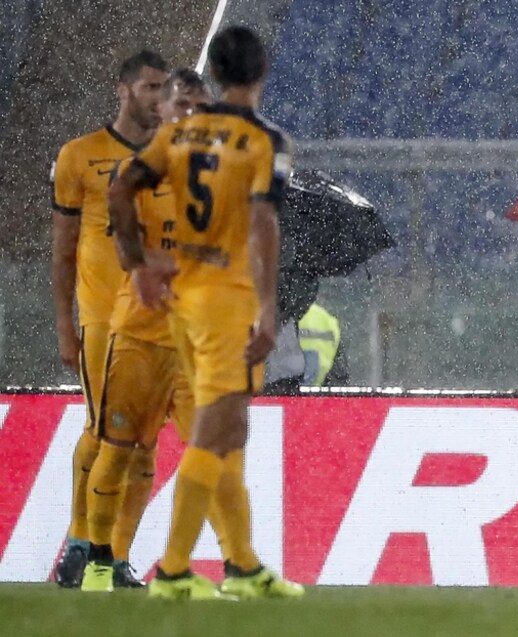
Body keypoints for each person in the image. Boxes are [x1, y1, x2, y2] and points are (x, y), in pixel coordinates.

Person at [108, 25, 303, 601]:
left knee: (229, 432)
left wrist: (138, 263)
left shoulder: (181, 132)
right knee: (217, 432)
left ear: (214, 73)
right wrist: (267, 308)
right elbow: (263, 224)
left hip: (183, 304)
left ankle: (242, 565)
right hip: (228, 306)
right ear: (262, 70)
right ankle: (172, 570)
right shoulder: (265, 140)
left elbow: (121, 189)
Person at [79, 69, 251, 593]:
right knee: (119, 448)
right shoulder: (135, 176)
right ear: (164, 111)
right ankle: (101, 564)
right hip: (139, 334)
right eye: (183, 106)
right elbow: (125, 245)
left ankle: (230, 569)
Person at [50, 49, 169, 588]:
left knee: (145, 443)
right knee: (104, 432)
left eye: (163, 88)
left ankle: (116, 557)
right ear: (123, 90)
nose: (158, 98)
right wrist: (65, 325)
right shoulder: (79, 156)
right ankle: (80, 545)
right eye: (149, 87)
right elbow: (63, 249)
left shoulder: (175, 159)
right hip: (102, 317)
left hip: (156, 322)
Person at [299, 303, 350, 386]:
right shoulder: (328, 320)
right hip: (323, 387)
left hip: (287, 388)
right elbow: (340, 372)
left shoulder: (286, 317)